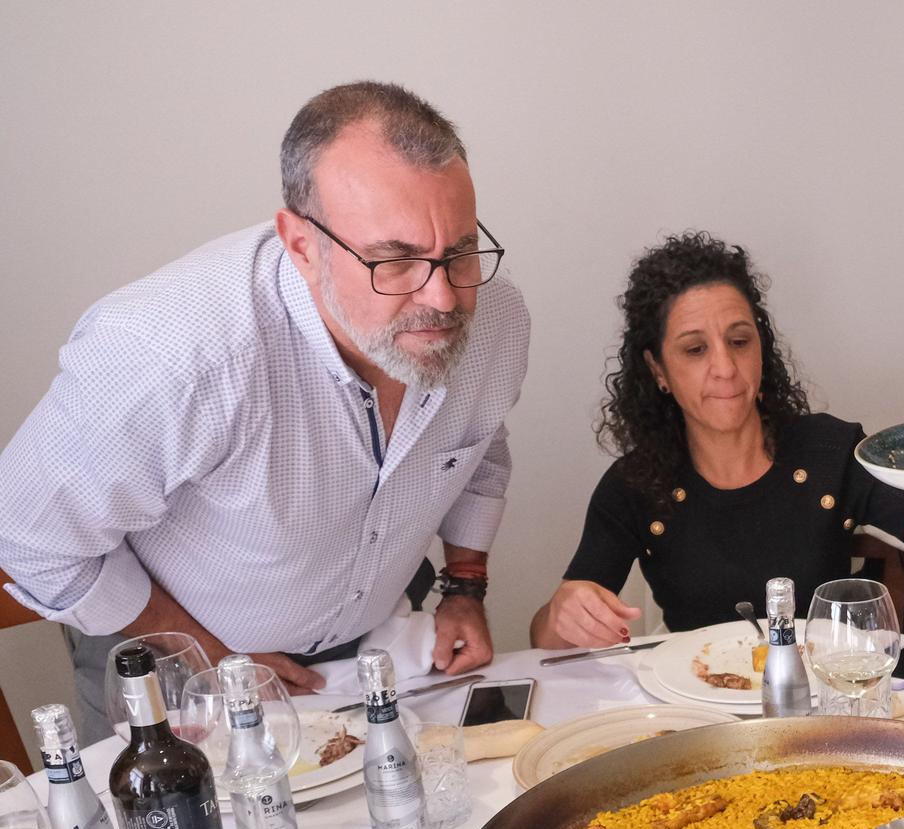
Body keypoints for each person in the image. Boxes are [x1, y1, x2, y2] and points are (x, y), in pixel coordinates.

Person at [0, 81, 522, 742]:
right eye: (394, 262)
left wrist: (465, 588)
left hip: (372, 649)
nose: (444, 300)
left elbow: (477, 453)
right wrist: (210, 657)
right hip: (176, 672)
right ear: (302, 246)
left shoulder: (496, 319)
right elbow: (30, 538)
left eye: (459, 252)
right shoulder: (173, 354)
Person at [530, 233, 904, 647]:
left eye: (740, 341)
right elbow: (546, 639)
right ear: (658, 371)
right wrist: (563, 613)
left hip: (820, 702)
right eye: (695, 349)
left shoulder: (829, 451)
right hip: (695, 712)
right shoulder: (634, 484)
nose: (725, 367)